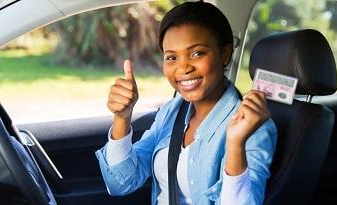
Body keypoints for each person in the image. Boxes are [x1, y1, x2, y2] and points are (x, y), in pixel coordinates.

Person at [95, 1, 277, 204]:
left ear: (225, 54)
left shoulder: (253, 128)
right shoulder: (172, 110)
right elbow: (121, 182)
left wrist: (235, 144)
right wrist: (122, 117)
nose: (183, 68)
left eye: (197, 53)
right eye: (171, 57)